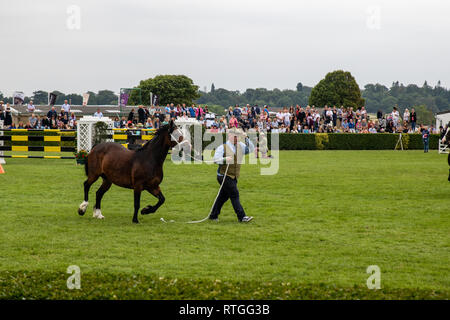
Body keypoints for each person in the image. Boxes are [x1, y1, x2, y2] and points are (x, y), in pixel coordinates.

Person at [210, 127, 255, 223]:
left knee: (223, 196)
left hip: (233, 176)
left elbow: (251, 149)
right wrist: (225, 159)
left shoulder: (241, 146)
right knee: (234, 194)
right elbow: (215, 160)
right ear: (229, 136)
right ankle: (242, 217)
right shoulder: (222, 147)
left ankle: (213, 215)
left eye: (238, 136)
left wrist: (246, 138)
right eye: (235, 136)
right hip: (223, 175)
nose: (237, 138)